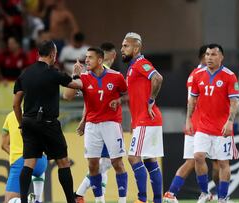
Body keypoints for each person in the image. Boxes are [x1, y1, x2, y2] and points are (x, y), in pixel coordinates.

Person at [12, 40, 81, 203]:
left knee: (28, 164)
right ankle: (70, 201)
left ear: (38, 54)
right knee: (63, 162)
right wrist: (76, 73)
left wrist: (21, 124)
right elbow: (76, 85)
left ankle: (23, 201)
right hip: (48, 123)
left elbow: (16, 104)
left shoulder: (25, 74)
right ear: (52, 55)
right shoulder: (53, 73)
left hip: (28, 122)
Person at [63, 47, 128, 203]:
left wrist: (118, 101)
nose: (86, 60)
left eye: (90, 57)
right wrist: (75, 74)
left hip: (111, 125)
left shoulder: (116, 76)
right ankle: (99, 200)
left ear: (100, 60)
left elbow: (128, 94)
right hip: (92, 126)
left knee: (117, 163)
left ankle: (122, 200)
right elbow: (67, 96)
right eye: (86, 57)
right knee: (93, 165)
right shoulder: (84, 78)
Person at [163, 45, 220, 203]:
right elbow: (195, 100)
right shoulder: (205, 74)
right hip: (205, 124)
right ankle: (218, 195)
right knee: (218, 161)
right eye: (210, 55)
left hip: (193, 123)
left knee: (191, 161)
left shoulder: (193, 74)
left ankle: (171, 193)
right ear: (204, 57)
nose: (212, 58)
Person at [186, 44, 239, 203]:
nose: (209, 57)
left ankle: (223, 197)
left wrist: (230, 122)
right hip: (202, 126)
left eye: (213, 54)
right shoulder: (198, 75)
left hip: (222, 128)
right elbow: (192, 99)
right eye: (208, 54)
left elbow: (234, 102)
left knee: (223, 163)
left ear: (221, 57)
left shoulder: (229, 76)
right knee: (198, 156)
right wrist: (189, 119)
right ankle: (204, 193)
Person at [121, 32, 164, 203]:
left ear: (136, 48)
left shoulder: (141, 63)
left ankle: (142, 199)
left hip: (147, 118)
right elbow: (135, 93)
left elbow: (158, 78)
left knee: (133, 157)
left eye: (126, 46)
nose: (122, 49)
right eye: (122, 45)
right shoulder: (132, 67)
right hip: (143, 120)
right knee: (149, 160)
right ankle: (157, 201)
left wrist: (151, 100)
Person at [73, 42, 119, 203]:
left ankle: (91, 197)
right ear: (111, 55)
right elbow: (90, 101)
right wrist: (84, 120)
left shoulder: (111, 74)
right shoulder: (98, 72)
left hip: (107, 124)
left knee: (103, 165)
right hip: (99, 123)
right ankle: (79, 194)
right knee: (104, 164)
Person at [1, 111, 47, 203]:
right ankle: (38, 199)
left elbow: (3, 145)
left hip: (22, 162)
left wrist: (15, 156)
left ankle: (30, 201)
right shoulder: (39, 113)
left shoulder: (10, 116)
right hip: (41, 161)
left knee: (9, 201)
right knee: (38, 171)